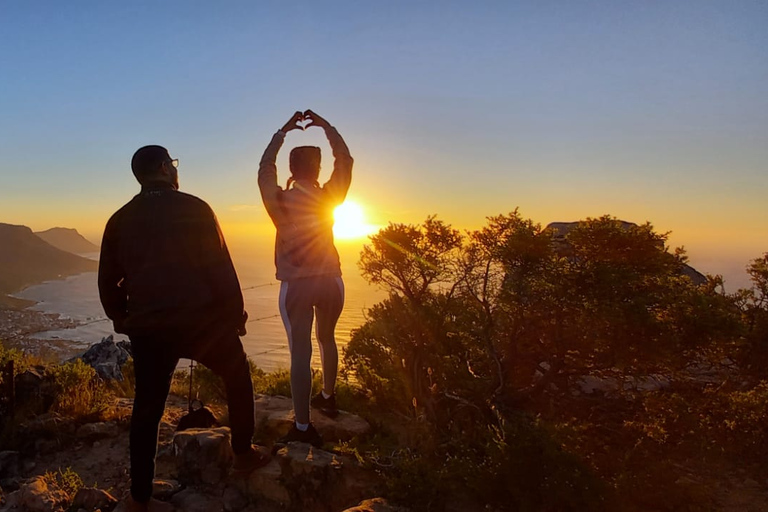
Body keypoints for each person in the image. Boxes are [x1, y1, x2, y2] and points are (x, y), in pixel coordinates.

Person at [99, 145, 269, 512]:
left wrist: (122, 319)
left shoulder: (119, 219)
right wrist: (235, 316)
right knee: (237, 377)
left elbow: (107, 281)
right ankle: (242, 453)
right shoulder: (196, 208)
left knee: (147, 410)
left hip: (149, 330)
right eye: (172, 164)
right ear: (164, 168)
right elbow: (220, 267)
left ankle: (140, 500)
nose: (175, 170)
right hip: (202, 325)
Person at [258, 110, 353, 447]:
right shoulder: (330, 196)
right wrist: (327, 126)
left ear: (291, 169)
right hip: (332, 280)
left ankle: (302, 428)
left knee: (300, 350)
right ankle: (328, 396)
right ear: (318, 169)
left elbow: (264, 168)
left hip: (296, 286)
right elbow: (345, 159)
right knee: (327, 338)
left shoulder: (279, 200)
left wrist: (281, 133)